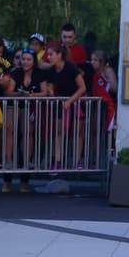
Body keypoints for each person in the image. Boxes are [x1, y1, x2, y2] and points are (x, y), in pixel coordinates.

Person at [6, 50, 50, 191]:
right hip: (14, 106)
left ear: (34, 61)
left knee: (28, 134)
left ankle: (26, 164)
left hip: (29, 107)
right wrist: (20, 94)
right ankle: (8, 165)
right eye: (23, 59)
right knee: (10, 132)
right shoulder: (16, 72)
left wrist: (33, 95)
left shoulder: (40, 73)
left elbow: (45, 92)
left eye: (28, 59)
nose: (25, 62)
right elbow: (8, 92)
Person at [43, 43, 87, 171]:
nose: (48, 57)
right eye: (48, 55)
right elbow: (51, 89)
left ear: (59, 55)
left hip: (76, 102)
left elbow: (82, 88)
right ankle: (57, 161)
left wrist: (70, 101)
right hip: (61, 103)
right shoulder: (51, 70)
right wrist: (50, 92)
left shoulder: (71, 67)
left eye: (51, 54)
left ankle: (78, 161)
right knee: (59, 132)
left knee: (78, 132)